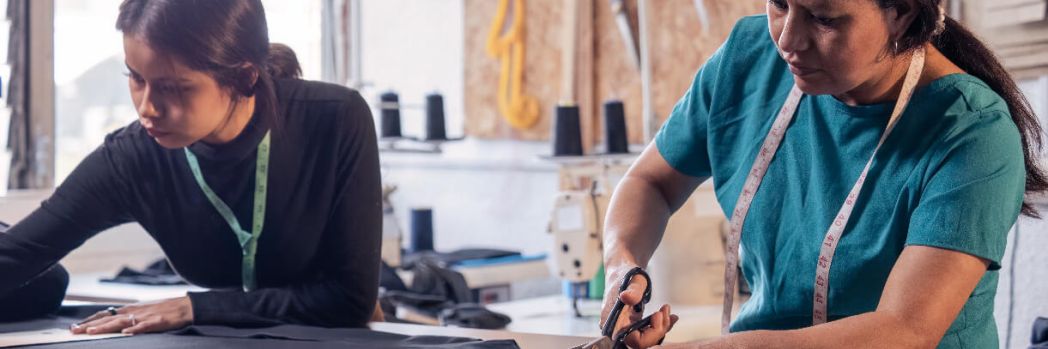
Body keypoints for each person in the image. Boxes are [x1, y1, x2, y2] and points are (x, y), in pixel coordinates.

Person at [600, 0, 1044, 348]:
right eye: (779, 3)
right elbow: (649, 182)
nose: (788, 38)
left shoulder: (970, 132)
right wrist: (622, 270)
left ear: (902, 14)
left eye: (824, 18)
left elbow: (903, 333)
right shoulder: (746, 61)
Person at [0, 0, 382, 335]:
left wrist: (195, 308)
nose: (147, 107)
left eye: (175, 88)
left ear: (244, 77)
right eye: (136, 78)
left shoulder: (334, 120)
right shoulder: (132, 158)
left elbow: (349, 299)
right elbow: (18, 255)